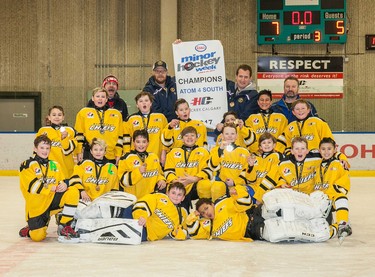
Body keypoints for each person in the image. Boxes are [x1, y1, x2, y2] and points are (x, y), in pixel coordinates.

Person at [187, 186, 331, 243]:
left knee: (275, 205)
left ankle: (315, 207)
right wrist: (193, 216)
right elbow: (193, 233)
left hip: (253, 214)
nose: (206, 213)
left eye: (206, 208)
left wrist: (237, 192)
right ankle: (316, 229)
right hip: (252, 231)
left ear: (211, 204)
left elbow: (245, 202)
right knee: (278, 233)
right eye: (203, 213)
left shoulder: (222, 205)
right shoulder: (208, 227)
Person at [19, 135, 80, 243]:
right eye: (42, 148)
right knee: (38, 237)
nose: (45, 151)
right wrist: (50, 188)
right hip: (37, 206)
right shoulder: (27, 165)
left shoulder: (54, 164)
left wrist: (64, 185)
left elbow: (61, 180)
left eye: (47, 148)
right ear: (35, 149)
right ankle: (29, 230)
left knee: (73, 191)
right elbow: (32, 187)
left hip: (52, 200)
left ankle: (64, 225)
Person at [164, 126, 212, 211]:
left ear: (197, 138)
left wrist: (194, 179)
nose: (189, 138)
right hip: (178, 185)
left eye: (192, 135)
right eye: (186, 136)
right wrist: (176, 181)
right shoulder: (173, 152)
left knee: (205, 184)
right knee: (178, 209)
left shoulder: (204, 152)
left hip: (195, 185)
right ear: (182, 139)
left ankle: (205, 211)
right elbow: (168, 171)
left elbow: (207, 170)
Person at [314, 137, 352, 241]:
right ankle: (336, 226)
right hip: (318, 202)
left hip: (331, 201)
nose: (326, 152)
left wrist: (329, 198)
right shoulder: (316, 165)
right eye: (323, 149)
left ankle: (343, 223)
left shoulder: (340, 164)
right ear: (319, 150)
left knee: (341, 197)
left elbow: (344, 185)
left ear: (335, 150)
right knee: (321, 230)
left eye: (329, 149)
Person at [75, 87, 123, 165]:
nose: (100, 99)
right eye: (97, 96)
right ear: (93, 98)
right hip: (89, 153)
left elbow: (120, 137)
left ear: (107, 99)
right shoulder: (83, 113)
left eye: (103, 97)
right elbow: (79, 134)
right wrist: (79, 151)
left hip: (110, 155)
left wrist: (118, 154)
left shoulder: (116, 114)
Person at [118, 129, 166, 199]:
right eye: (138, 142)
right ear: (133, 143)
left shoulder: (153, 157)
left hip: (150, 199)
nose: (141, 145)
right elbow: (123, 181)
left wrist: (161, 180)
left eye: (144, 142)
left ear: (148, 143)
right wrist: (138, 172)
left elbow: (159, 173)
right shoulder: (126, 158)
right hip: (132, 200)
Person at [123, 91, 168, 164]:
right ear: (137, 105)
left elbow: (165, 138)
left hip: (156, 157)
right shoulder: (131, 119)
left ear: (151, 103)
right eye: (140, 101)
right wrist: (127, 155)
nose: (144, 103)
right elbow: (126, 139)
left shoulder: (161, 117)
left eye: (146, 100)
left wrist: (164, 153)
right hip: (136, 159)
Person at [209, 123, 250, 201]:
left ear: (236, 136)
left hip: (238, 184)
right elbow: (212, 166)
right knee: (216, 187)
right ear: (222, 136)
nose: (230, 136)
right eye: (227, 133)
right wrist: (220, 149)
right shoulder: (216, 150)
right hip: (222, 182)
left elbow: (247, 171)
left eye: (232, 134)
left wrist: (234, 182)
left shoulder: (244, 152)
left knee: (240, 194)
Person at [69, 138, 119, 202]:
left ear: (105, 152)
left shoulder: (112, 167)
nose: (98, 152)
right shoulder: (84, 164)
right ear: (91, 151)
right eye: (95, 149)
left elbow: (115, 188)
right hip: (85, 200)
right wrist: (81, 191)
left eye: (101, 150)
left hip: (105, 202)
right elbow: (73, 179)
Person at [36, 105, 77, 178]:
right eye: (54, 115)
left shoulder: (70, 131)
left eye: (59, 115)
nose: (57, 117)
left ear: (63, 117)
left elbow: (67, 151)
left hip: (66, 168)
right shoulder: (42, 131)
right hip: (50, 167)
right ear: (49, 117)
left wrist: (65, 138)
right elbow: (37, 150)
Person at [244, 89, 288, 154]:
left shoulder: (281, 118)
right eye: (262, 100)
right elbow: (249, 137)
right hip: (257, 154)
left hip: (276, 154)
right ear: (258, 102)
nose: (264, 102)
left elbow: (285, 135)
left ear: (271, 102)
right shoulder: (251, 118)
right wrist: (258, 150)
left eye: (267, 100)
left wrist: (277, 150)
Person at [245, 132, 284, 204]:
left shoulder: (277, 156)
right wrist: (251, 167)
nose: (266, 144)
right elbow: (251, 181)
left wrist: (259, 197)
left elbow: (273, 177)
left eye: (269, 142)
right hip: (256, 188)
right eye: (264, 143)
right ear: (260, 146)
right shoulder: (256, 158)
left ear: (274, 145)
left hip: (270, 189)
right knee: (240, 190)